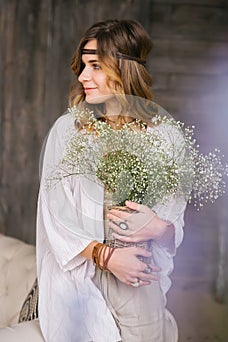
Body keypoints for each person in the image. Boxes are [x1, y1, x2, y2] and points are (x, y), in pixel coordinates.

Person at [37, 19, 187, 342]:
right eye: (82, 66)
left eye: (94, 65)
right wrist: (108, 257)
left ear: (121, 69)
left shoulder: (166, 138)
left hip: (140, 282)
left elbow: (175, 228)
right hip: (84, 281)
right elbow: (55, 218)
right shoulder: (68, 133)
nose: (81, 77)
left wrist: (157, 228)